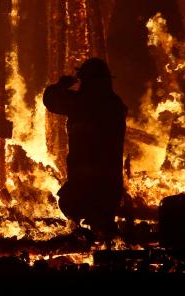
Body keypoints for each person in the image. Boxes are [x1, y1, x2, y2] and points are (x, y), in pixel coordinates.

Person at [43, 58, 127, 238]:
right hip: (110, 181)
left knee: (71, 205)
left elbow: (50, 100)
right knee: (102, 221)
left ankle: (87, 239)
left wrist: (61, 85)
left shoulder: (82, 103)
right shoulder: (115, 104)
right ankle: (105, 242)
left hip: (85, 181)